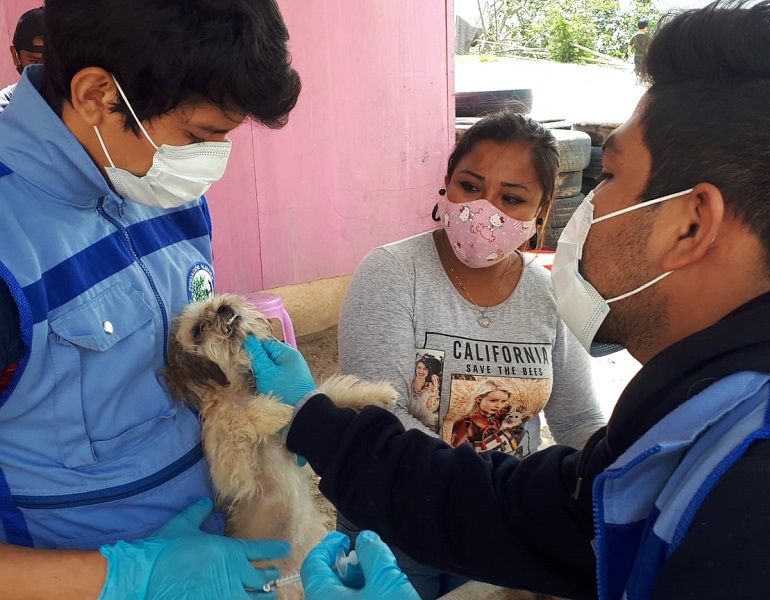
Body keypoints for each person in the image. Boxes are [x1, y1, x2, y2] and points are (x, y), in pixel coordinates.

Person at [249, 2, 770, 599]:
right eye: (471, 186)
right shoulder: (701, 413)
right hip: (411, 532)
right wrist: (317, 418)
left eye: (608, 178)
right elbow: (571, 504)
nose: (592, 208)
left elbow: (573, 444)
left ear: (691, 225)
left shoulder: (764, 482)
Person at [0, 0, 301, 597]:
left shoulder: (155, 180)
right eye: (198, 137)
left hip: (217, 559)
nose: (211, 160)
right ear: (96, 96)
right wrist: (128, 576)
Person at [335, 111, 606, 599]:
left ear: (541, 212)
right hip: (397, 522)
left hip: (500, 533)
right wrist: (488, 496)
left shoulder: (549, 295)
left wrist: (606, 486)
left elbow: (578, 418)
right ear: (447, 185)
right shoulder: (392, 273)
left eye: (511, 199)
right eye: (470, 186)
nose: (484, 210)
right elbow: (381, 413)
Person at [1, 7, 44, 111]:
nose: (48, 70)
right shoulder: (4, 110)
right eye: (36, 62)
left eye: (55, 62)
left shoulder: (80, 107)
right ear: (15, 56)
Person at [627, 19, 652, 85]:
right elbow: (650, 45)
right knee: (644, 67)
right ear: (645, 27)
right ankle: (642, 78)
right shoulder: (648, 36)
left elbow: (630, 45)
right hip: (644, 55)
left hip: (637, 55)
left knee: (637, 66)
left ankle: (637, 76)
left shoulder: (635, 36)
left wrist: (629, 52)